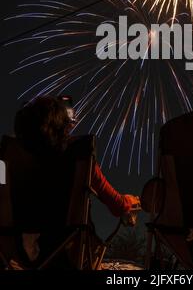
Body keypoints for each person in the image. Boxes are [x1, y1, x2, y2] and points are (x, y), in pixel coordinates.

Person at [12, 96, 140, 266]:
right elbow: (117, 204)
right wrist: (131, 202)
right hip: (66, 252)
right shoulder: (79, 157)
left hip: (16, 253)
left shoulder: (10, 159)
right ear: (62, 125)